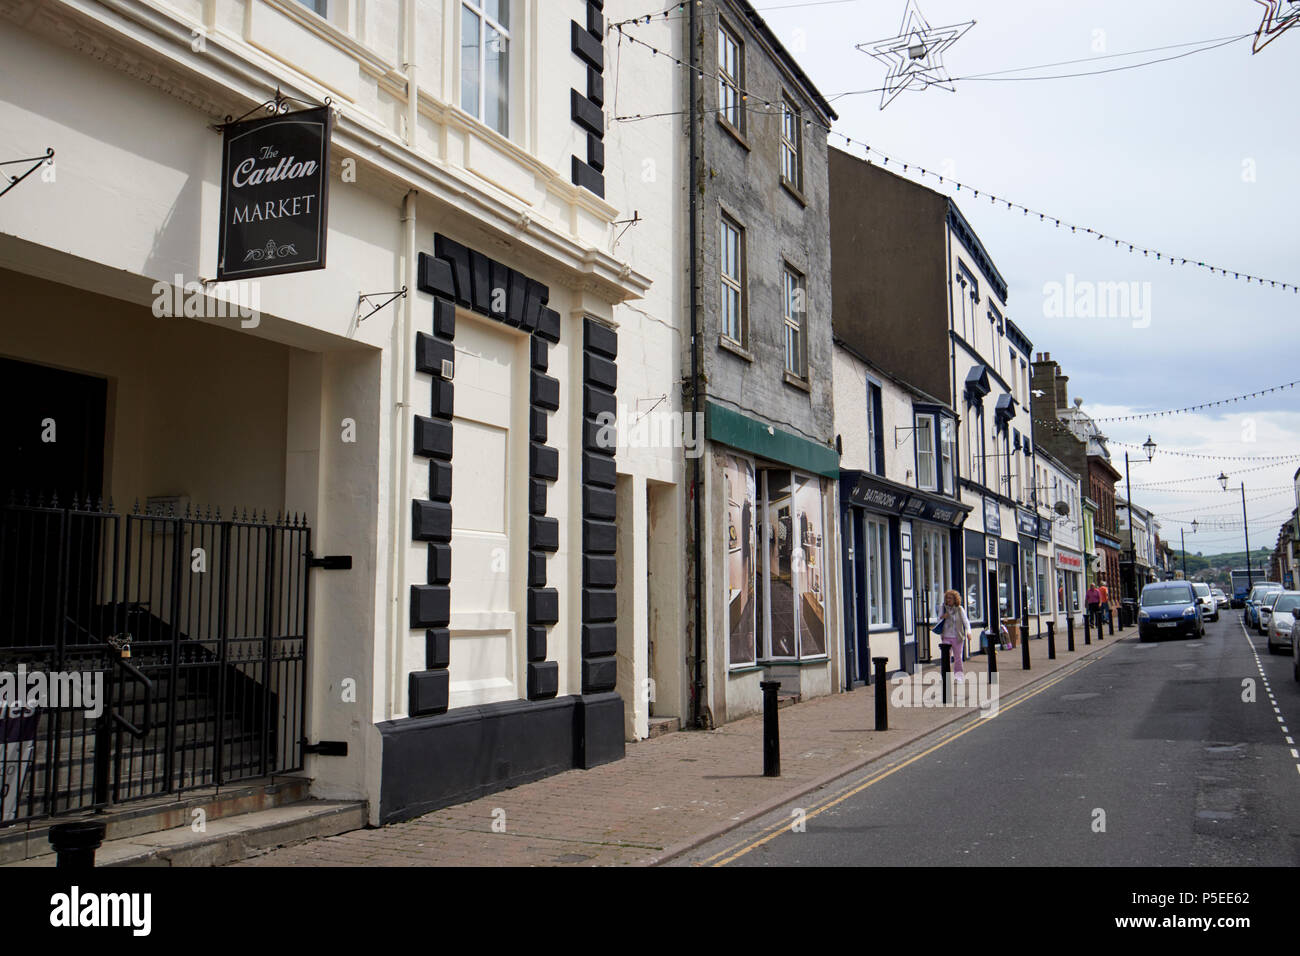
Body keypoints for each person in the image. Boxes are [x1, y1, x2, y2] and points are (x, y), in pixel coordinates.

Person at [938, 589, 971, 681]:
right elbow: (938, 621)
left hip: (957, 636)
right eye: (947, 598)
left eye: (950, 598)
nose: (948, 600)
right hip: (946, 635)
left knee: (958, 657)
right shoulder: (943, 608)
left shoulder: (960, 609)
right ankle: (945, 676)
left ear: (955, 599)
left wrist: (968, 632)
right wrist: (942, 617)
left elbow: (966, 622)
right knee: (946, 657)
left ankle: (959, 676)